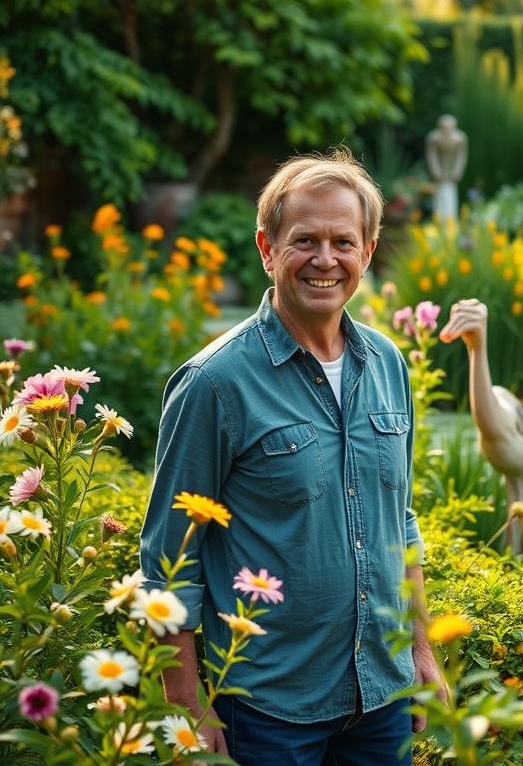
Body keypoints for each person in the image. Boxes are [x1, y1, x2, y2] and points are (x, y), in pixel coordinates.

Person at [139, 147, 442, 765]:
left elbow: (400, 523)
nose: (325, 259)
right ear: (267, 249)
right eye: (304, 240)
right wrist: (186, 703)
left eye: (343, 242)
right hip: (268, 711)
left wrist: (421, 648)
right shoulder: (214, 383)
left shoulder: (388, 364)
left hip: (382, 697)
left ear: (368, 252)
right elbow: (169, 559)